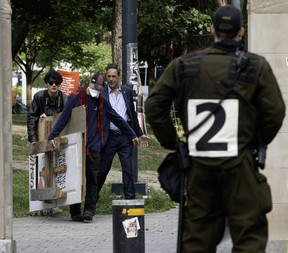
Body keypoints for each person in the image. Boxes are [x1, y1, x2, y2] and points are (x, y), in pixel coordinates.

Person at [145, 5, 285, 253]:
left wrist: (174, 142)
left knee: (198, 237)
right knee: (249, 235)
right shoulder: (256, 66)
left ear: (213, 31)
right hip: (239, 162)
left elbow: (154, 105)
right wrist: (255, 141)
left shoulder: (185, 66)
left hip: (199, 165)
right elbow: (275, 112)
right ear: (241, 32)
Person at [48, 73, 140, 222]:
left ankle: (90, 210)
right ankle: (75, 211)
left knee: (93, 178)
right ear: (89, 84)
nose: (96, 92)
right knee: (76, 178)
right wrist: (52, 136)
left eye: (99, 89)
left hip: (94, 145)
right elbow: (64, 117)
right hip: (77, 144)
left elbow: (118, 118)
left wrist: (133, 134)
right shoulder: (76, 97)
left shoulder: (102, 100)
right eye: (94, 88)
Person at [96, 64, 149, 203]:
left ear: (119, 76)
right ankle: (92, 199)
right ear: (105, 77)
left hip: (125, 138)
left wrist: (138, 133)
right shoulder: (101, 93)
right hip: (109, 137)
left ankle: (130, 202)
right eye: (109, 76)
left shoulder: (126, 91)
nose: (111, 79)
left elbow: (131, 115)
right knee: (102, 169)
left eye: (114, 76)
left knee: (128, 170)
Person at [27, 69, 67, 216]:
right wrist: (33, 141)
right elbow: (32, 118)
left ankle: (54, 204)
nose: (54, 85)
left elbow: (67, 118)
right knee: (39, 170)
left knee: (57, 171)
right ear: (47, 84)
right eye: (51, 83)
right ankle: (38, 204)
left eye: (57, 83)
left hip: (57, 139)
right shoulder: (39, 97)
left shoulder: (64, 98)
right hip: (41, 137)